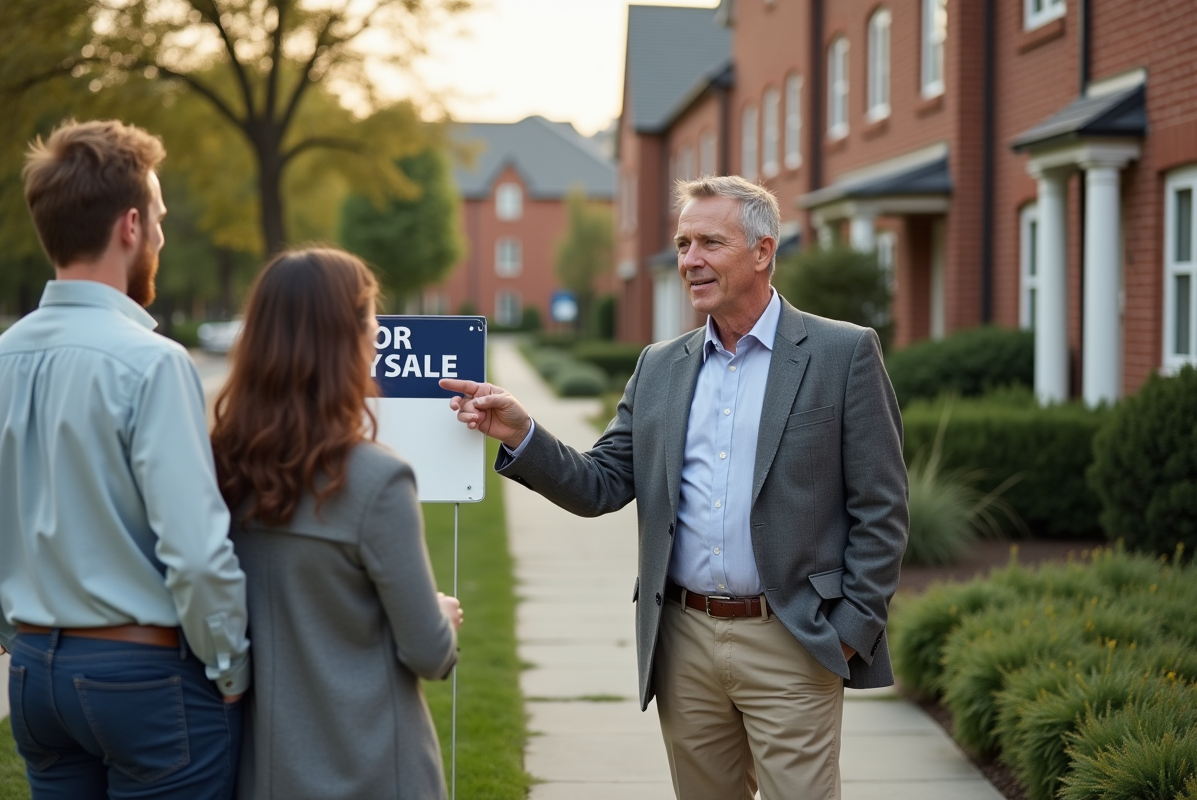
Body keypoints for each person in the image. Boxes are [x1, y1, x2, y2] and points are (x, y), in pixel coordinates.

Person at [442, 175, 908, 799]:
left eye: (710, 243)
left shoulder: (841, 354)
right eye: (684, 243)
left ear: (763, 251)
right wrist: (523, 433)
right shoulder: (660, 366)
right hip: (683, 641)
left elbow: (882, 508)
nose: (690, 260)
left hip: (796, 638)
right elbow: (600, 484)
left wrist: (849, 631)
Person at [0, 119, 250, 799]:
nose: (163, 238)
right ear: (131, 226)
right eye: (161, 220)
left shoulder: (4, 358)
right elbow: (197, 553)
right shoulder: (153, 363)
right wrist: (230, 669)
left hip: (32, 677)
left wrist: (16, 633)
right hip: (143, 680)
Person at [210, 247, 463, 800]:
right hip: (376, 769)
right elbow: (429, 652)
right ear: (343, 338)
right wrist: (441, 617)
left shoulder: (218, 469)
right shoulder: (378, 481)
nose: (378, 334)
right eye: (371, 319)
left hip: (265, 772)